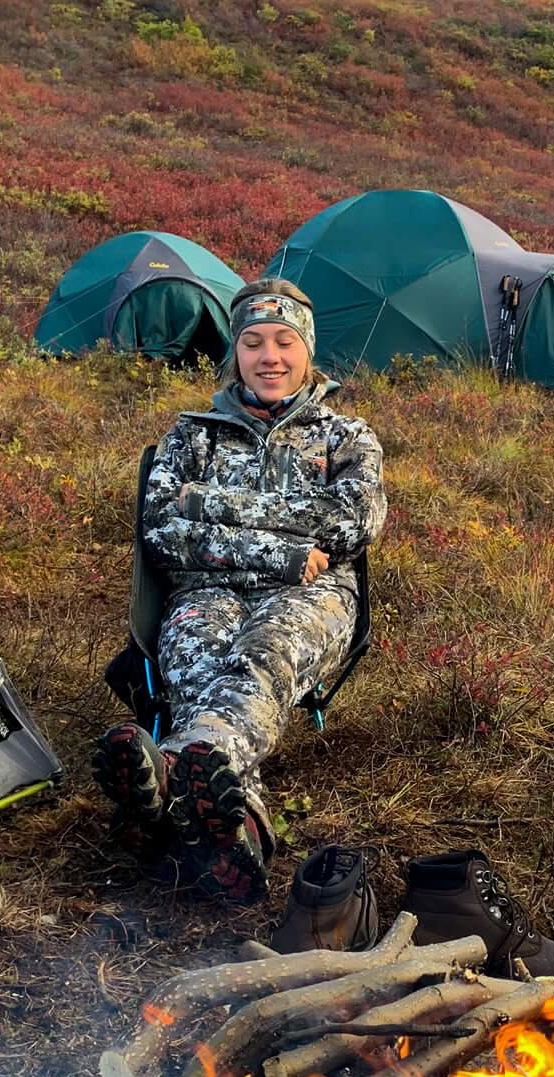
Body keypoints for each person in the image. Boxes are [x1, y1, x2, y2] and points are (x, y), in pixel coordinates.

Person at [92, 279, 386, 903]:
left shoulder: (347, 437)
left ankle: (171, 780)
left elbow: (352, 523)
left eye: (284, 342)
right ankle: (236, 823)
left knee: (265, 655)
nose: (269, 357)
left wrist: (209, 504)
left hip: (314, 593)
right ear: (235, 352)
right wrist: (277, 548)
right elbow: (164, 529)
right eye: (253, 343)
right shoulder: (191, 434)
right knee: (197, 663)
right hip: (209, 588)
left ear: (308, 351)